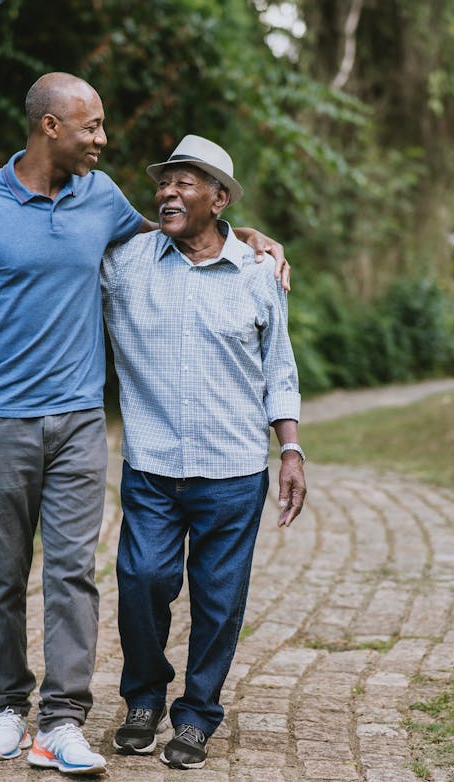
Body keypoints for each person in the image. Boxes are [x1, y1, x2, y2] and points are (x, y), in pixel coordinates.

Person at [0, 73, 288, 775]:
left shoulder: (101, 198)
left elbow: (177, 235)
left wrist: (244, 233)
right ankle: (6, 705)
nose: (102, 138)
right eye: (89, 126)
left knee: (73, 575)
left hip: (79, 422)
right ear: (49, 128)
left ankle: (61, 721)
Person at [101, 135, 306, 770]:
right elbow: (52, 216)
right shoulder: (127, 262)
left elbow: (280, 369)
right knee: (141, 582)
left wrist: (291, 448)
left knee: (219, 601)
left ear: (217, 200)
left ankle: (196, 717)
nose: (168, 191)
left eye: (186, 183)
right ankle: (143, 699)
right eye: (165, 182)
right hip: (153, 466)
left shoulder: (256, 273)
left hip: (235, 469)